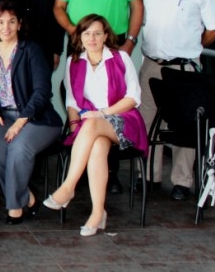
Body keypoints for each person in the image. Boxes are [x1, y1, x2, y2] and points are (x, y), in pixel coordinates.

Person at [53, 0, 144, 194]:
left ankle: (110, 172)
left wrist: (130, 41)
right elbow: (59, 7)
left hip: (114, 41)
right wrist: (75, 32)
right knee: (80, 97)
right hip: (79, 42)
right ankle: (82, 168)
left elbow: (137, 6)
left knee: (111, 101)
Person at [43, 14, 148, 237]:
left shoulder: (120, 57)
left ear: (106, 36)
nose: (92, 38)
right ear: (80, 37)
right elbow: (72, 100)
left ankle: (68, 187)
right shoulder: (73, 62)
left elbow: (133, 97)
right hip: (91, 126)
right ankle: (98, 213)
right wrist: (74, 126)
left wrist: (102, 114)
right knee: (98, 146)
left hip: (123, 119)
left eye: (97, 33)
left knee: (91, 123)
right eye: (87, 33)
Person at [138, 0, 215, 200]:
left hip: (185, 69)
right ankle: (148, 177)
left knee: (185, 125)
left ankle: (182, 182)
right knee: (147, 120)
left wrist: (193, 45)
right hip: (152, 65)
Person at [0, 1, 61, 225]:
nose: (6, 27)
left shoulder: (31, 50)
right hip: (3, 116)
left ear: (19, 24)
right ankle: (28, 197)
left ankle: (14, 207)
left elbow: (42, 92)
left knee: (18, 147)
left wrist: (20, 122)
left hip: (37, 119)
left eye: (11, 21)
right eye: (1, 21)